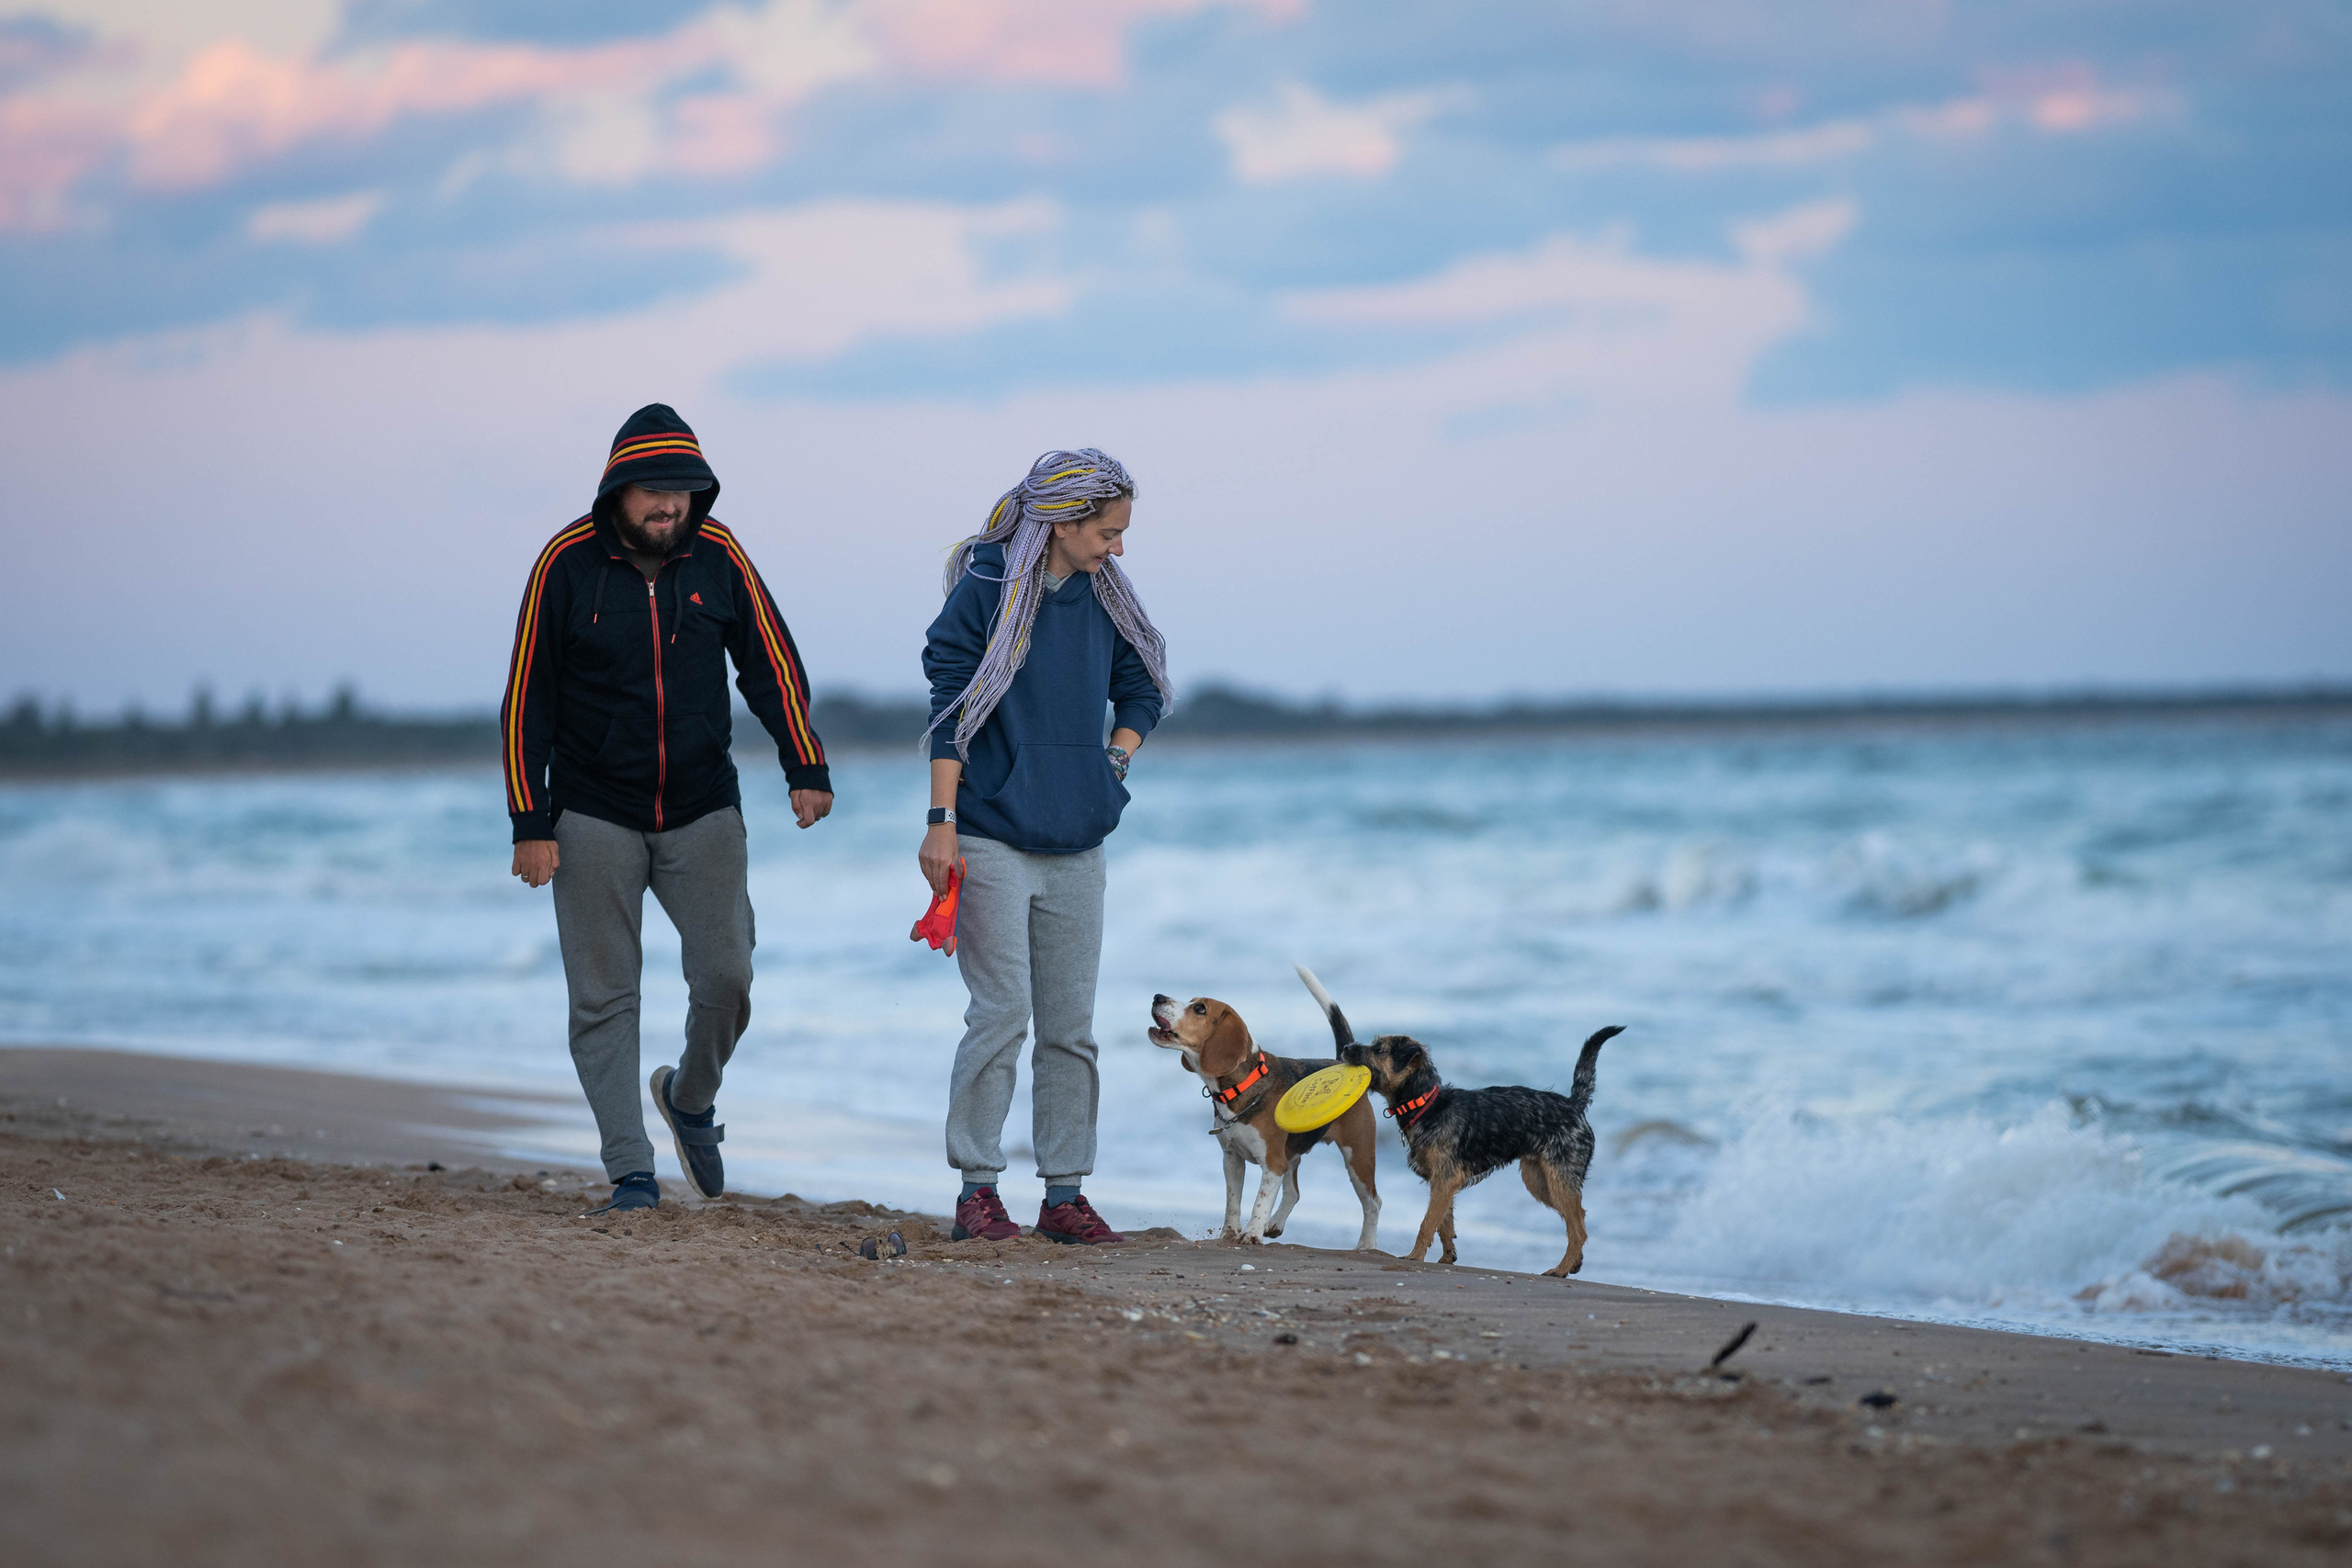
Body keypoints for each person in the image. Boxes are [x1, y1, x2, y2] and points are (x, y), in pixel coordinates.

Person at [502, 403, 831, 1214]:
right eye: (653, 490)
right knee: (605, 996)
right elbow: (525, 699)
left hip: (701, 804)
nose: (668, 506)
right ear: (617, 489)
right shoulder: (564, 564)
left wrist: (804, 760)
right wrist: (530, 820)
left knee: (728, 975)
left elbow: (771, 660)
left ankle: (689, 1098)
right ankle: (632, 1172)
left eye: (682, 491)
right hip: (591, 811)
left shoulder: (717, 555)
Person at [920, 448, 1173, 1246]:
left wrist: (1113, 762)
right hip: (991, 833)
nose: (1118, 548)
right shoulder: (989, 585)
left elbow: (1143, 684)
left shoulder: (1106, 596)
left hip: (1079, 837)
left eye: (1121, 532)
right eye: (1107, 532)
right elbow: (950, 703)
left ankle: (1064, 1195)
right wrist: (940, 819)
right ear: (1062, 522)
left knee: (1072, 1025)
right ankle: (977, 1192)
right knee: (1001, 1014)